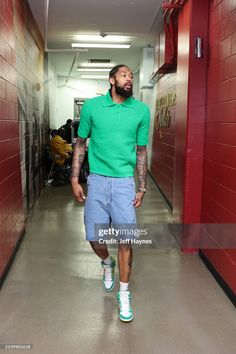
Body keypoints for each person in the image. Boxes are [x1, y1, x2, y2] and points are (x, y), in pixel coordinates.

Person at [71, 64, 150, 322]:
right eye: (125, 75)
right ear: (112, 79)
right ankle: (107, 263)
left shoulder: (141, 111)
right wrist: (74, 178)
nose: (130, 79)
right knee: (95, 237)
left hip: (124, 183)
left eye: (131, 76)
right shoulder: (93, 108)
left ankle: (124, 294)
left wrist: (142, 186)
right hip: (97, 182)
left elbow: (140, 152)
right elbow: (81, 144)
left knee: (126, 239)